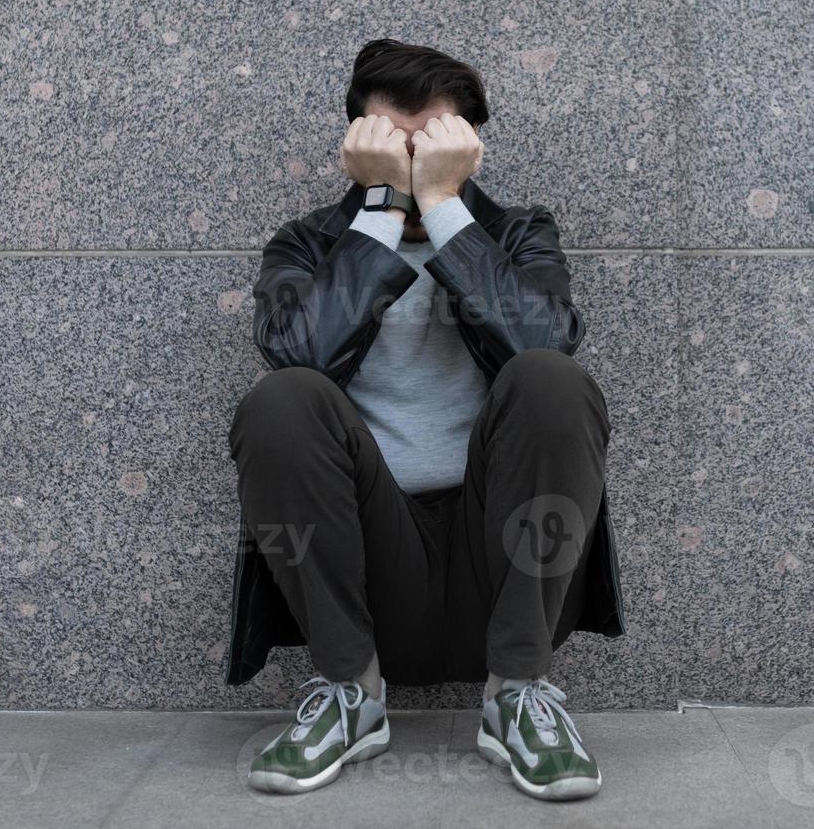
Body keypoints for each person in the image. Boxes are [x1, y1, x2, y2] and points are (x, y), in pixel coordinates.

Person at [222, 39, 626, 800]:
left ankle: (517, 696)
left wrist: (443, 208)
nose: (412, 165)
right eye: (393, 148)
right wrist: (382, 211)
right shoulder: (308, 244)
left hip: (502, 565)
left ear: (468, 148)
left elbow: (544, 343)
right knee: (281, 399)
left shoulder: (517, 234)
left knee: (551, 379)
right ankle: (349, 694)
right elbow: (298, 353)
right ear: (357, 147)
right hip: (370, 572)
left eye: (431, 147)